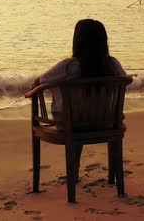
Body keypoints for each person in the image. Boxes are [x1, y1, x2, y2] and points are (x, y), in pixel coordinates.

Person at [32, 19, 126, 176]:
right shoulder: (113, 64)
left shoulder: (69, 66)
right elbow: (124, 80)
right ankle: (115, 175)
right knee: (81, 111)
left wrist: (37, 90)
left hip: (71, 125)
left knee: (73, 112)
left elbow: (38, 82)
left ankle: (73, 169)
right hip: (107, 123)